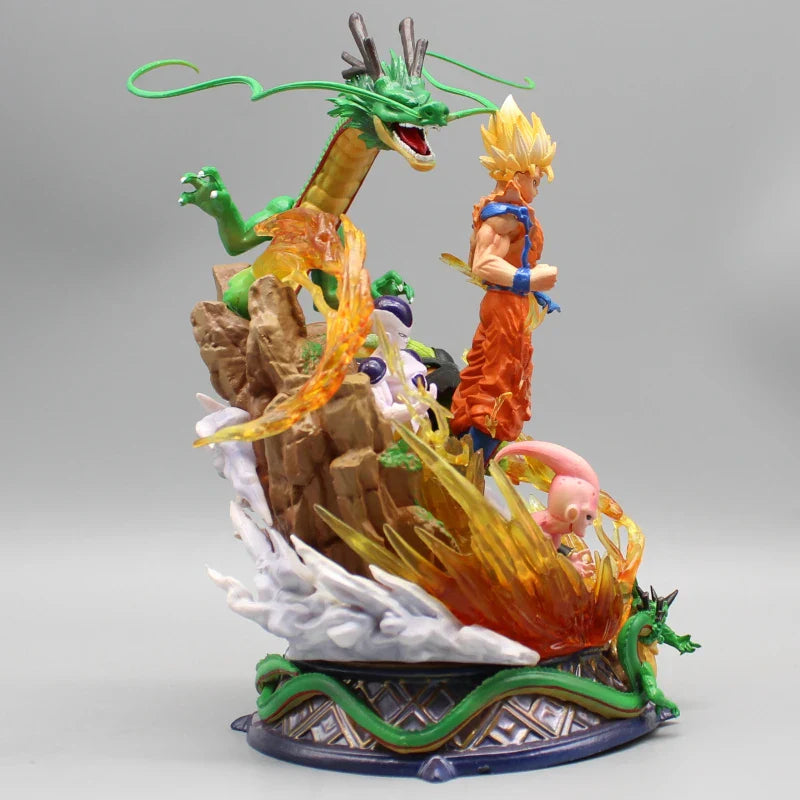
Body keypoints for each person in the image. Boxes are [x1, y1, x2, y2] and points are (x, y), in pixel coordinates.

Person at [449, 96, 559, 460]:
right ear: (517, 176)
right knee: (500, 377)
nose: (537, 187)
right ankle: (476, 453)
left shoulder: (514, 214)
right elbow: (483, 264)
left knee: (495, 370)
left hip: (512, 303)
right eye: (535, 179)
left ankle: (470, 447)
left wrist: (535, 293)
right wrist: (530, 280)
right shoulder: (503, 218)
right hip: (504, 304)